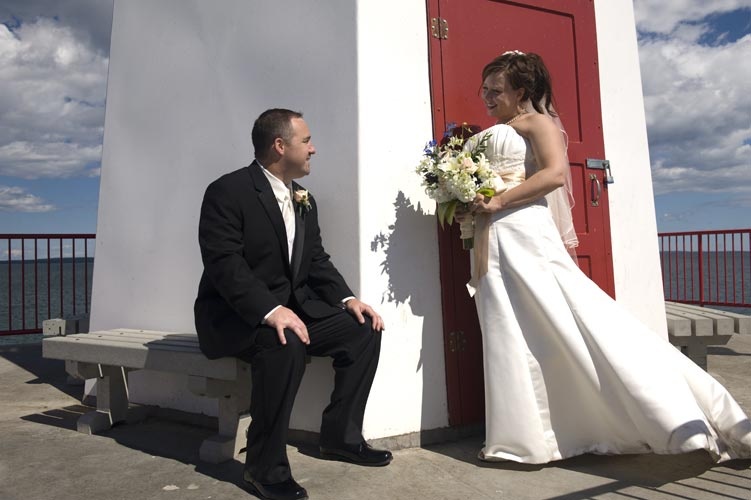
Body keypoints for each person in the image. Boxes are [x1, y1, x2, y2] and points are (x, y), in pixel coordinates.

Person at [460, 51, 751, 464]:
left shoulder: (537, 123)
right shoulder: (496, 130)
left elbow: (554, 174)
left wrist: (499, 201)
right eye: (485, 90)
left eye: (496, 90)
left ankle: (670, 410)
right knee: (509, 327)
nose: (487, 97)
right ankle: (526, 438)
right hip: (492, 238)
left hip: (524, 233)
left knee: (577, 320)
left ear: (521, 91)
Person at [195, 108, 392, 500]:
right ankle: (263, 467)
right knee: (285, 343)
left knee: (362, 330)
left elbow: (316, 260)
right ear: (280, 146)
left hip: (293, 311)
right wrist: (270, 311)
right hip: (237, 317)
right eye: (306, 141)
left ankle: (340, 437)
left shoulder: (304, 199)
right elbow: (224, 265)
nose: (313, 148)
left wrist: (349, 298)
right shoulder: (227, 191)